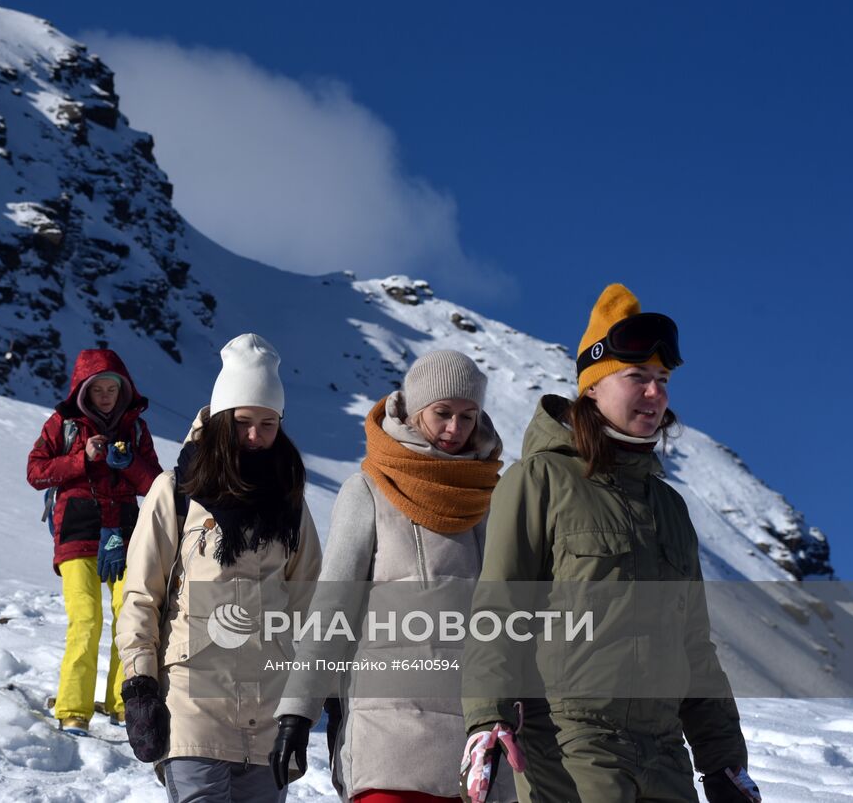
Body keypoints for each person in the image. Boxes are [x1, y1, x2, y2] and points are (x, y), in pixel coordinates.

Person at [461, 284, 761, 803]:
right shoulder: (541, 480)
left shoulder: (668, 506)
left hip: (665, 752)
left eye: (662, 380)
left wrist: (723, 762)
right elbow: (500, 608)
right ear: (593, 388)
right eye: (638, 378)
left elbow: (694, 646)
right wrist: (486, 718)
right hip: (571, 743)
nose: (655, 393)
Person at [272, 349, 517, 803]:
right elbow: (332, 610)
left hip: (480, 748)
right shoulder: (368, 489)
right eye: (443, 413)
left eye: (468, 416)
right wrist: (298, 713)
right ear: (414, 408)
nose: (455, 429)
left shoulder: (496, 496)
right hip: (390, 741)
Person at [116, 333, 322, 802]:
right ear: (222, 417)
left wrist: (314, 695)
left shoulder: (289, 499)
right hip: (192, 701)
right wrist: (140, 683)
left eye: (268, 423)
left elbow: (311, 602)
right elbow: (141, 595)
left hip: (269, 708)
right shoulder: (177, 490)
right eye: (244, 421)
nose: (255, 435)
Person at [27, 348, 162, 736]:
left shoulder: (135, 429)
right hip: (75, 533)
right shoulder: (62, 424)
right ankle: (73, 709)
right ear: (82, 390)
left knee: (131, 618)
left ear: (123, 390)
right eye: (98, 389)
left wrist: (130, 462)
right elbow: (35, 472)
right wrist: (81, 459)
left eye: (112, 389)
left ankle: (123, 704)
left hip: (125, 533)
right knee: (86, 619)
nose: (105, 396)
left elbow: (155, 485)